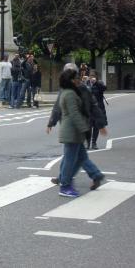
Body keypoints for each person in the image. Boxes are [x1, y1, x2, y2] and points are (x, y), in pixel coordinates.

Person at [47, 63, 106, 194]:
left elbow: (92, 106)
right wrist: (52, 122)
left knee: (76, 157)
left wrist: (99, 124)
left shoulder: (80, 90)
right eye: (75, 77)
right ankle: (66, 182)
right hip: (73, 130)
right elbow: (63, 109)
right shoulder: (69, 92)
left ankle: (65, 181)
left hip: (77, 129)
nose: (78, 80)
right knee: (74, 157)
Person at [88, 74, 107, 149]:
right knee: (88, 126)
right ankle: (87, 142)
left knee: (96, 126)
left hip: (98, 109)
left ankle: (94, 143)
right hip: (88, 109)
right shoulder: (86, 84)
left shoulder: (99, 84)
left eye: (93, 77)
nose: (91, 78)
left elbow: (104, 88)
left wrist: (96, 83)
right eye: (90, 77)